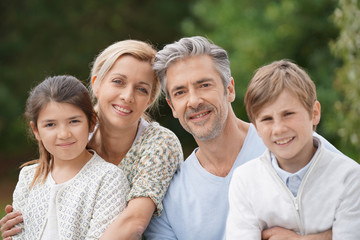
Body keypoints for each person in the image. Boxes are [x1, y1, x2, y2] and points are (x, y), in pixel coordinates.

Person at [144, 36, 338, 240]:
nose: (193, 101)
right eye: (180, 92)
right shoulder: (170, 197)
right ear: (173, 106)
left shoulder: (292, 143)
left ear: (229, 89)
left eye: (204, 85)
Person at [1, 40, 183, 240]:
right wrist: (22, 226)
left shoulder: (160, 144)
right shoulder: (74, 131)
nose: (127, 96)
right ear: (96, 84)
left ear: (149, 99)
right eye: (118, 81)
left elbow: (134, 222)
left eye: (141, 89)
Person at [225, 60, 360, 239]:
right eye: (266, 119)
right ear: (256, 127)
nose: (279, 129)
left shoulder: (349, 177)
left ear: (314, 114)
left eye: (288, 114)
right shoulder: (245, 180)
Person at [11, 75, 130, 239]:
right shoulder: (28, 177)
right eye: (50, 124)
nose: (64, 134)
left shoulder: (108, 179)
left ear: (91, 122)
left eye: (74, 121)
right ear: (36, 130)